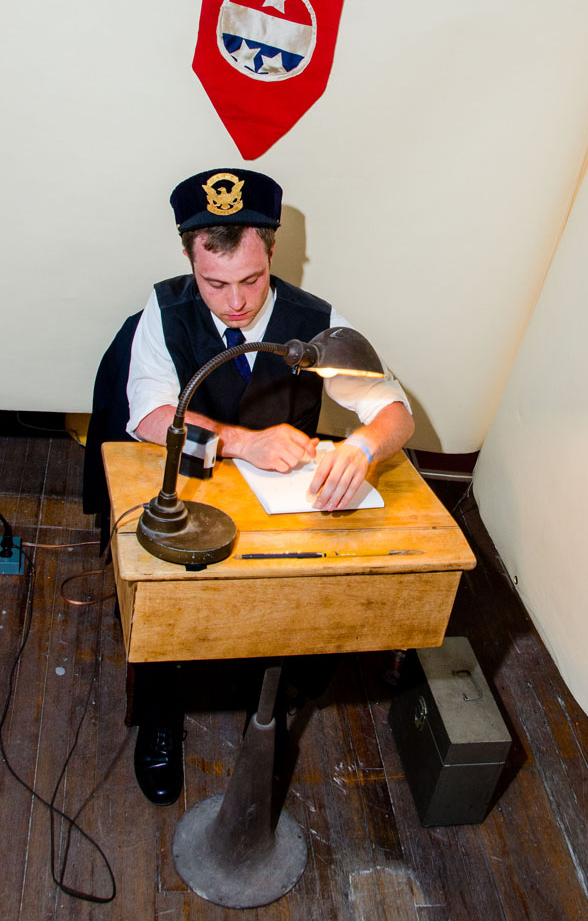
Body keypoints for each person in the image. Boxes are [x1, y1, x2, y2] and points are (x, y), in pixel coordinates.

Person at [125, 168, 414, 804]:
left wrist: (363, 448)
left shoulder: (315, 320)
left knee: (306, 593)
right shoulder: (165, 307)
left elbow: (396, 413)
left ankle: (271, 698)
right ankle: (160, 716)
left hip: (279, 506)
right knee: (165, 592)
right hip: (196, 488)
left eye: (252, 280)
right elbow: (149, 416)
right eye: (215, 284)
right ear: (189, 258)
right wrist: (241, 440)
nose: (236, 302)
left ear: (273, 252)